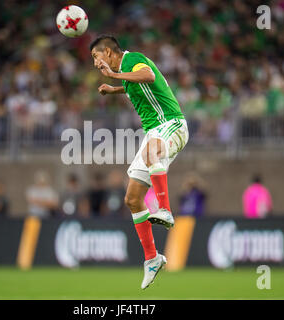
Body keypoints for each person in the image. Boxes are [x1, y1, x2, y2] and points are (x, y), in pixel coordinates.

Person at [90, 35, 189, 289]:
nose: (94, 63)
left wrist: (112, 76)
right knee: (132, 199)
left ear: (109, 52)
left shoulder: (132, 59)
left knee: (152, 150)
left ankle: (165, 208)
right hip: (153, 132)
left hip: (171, 124)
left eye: (95, 56)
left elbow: (148, 76)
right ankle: (152, 259)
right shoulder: (124, 71)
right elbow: (137, 85)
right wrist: (115, 89)